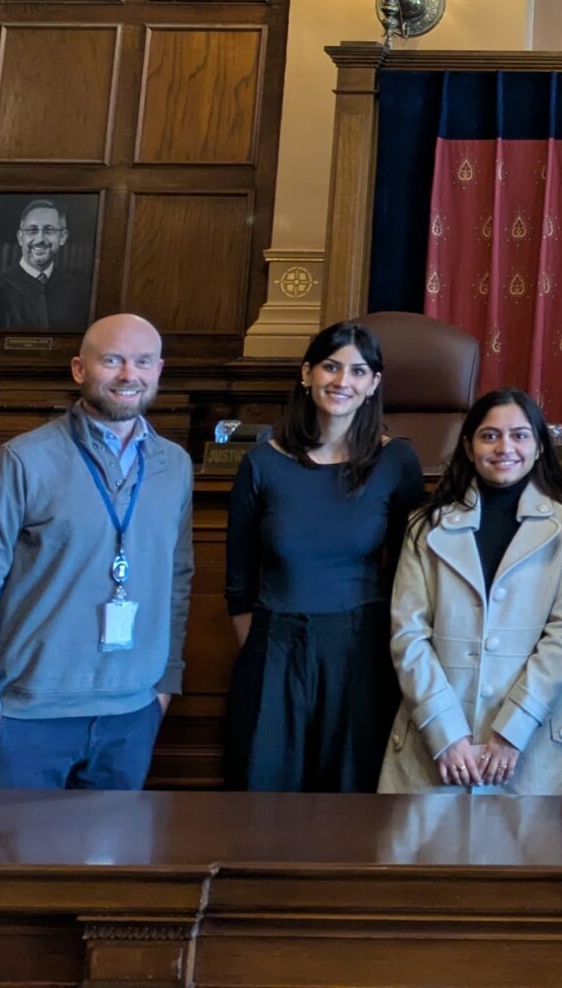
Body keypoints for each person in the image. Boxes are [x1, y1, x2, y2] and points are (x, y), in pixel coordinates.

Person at [0, 314, 193, 790]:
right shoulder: (21, 461)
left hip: (132, 715)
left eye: (142, 362)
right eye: (112, 360)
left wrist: (165, 685)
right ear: (80, 369)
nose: (128, 375)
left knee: (109, 865)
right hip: (27, 717)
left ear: (159, 369)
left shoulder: (174, 466)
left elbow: (178, 580)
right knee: (22, 865)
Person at [224, 322, 426, 792]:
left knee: (351, 797)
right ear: (306, 374)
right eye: (331, 367)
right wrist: (269, 652)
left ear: (373, 383)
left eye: (358, 371)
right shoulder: (261, 463)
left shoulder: (397, 462)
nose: (342, 381)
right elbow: (238, 584)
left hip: (361, 647)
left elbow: (408, 571)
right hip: (274, 645)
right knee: (263, 790)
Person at [379, 388, 562, 795]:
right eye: (489, 435)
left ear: (539, 446)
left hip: (534, 742)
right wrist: (445, 733)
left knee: (534, 857)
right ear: (468, 445)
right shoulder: (425, 526)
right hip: (437, 743)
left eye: (519, 435)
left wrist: (511, 731)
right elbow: (407, 635)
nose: (504, 447)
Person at [0, 199, 90, 332]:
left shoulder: (78, 289)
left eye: (49, 230)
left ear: (63, 237)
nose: (40, 239)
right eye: (32, 230)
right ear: (20, 237)